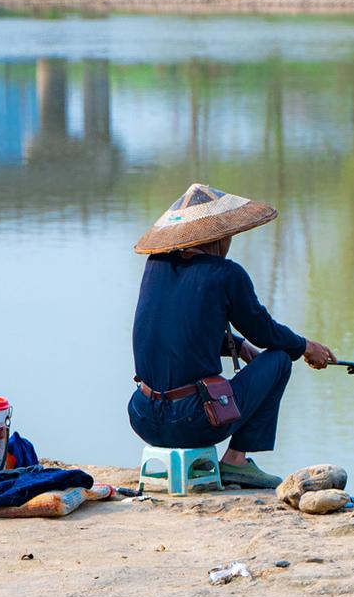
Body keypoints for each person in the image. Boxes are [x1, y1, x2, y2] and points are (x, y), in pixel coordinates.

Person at [127, 183, 336, 490]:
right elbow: (265, 332)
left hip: (143, 417)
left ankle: (227, 461)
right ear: (218, 237)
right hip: (193, 422)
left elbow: (182, 331)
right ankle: (236, 461)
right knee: (280, 359)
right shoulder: (226, 273)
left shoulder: (155, 266)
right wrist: (306, 347)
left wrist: (238, 346)